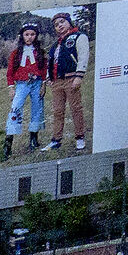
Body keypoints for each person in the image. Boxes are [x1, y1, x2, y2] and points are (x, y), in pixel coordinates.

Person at [48, 10, 90, 154]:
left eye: (62, 22)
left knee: (75, 108)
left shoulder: (78, 37)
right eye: (56, 25)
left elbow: (83, 56)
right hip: (57, 81)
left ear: (69, 22)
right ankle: (56, 139)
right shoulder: (55, 45)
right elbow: (52, 62)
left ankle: (79, 137)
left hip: (71, 78)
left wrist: (79, 75)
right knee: (58, 111)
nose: (59, 26)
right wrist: (50, 78)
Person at [3, 19, 48, 152]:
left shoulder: (40, 52)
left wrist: (43, 84)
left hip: (37, 83)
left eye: (32, 34)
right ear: (22, 36)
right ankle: (8, 143)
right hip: (22, 84)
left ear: (36, 35)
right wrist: (11, 87)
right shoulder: (16, 54)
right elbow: (10, 72)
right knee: (15, 108)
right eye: (27, 34)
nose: (29, 37)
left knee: (37, 109)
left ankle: (34, 138)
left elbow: (44, 69)